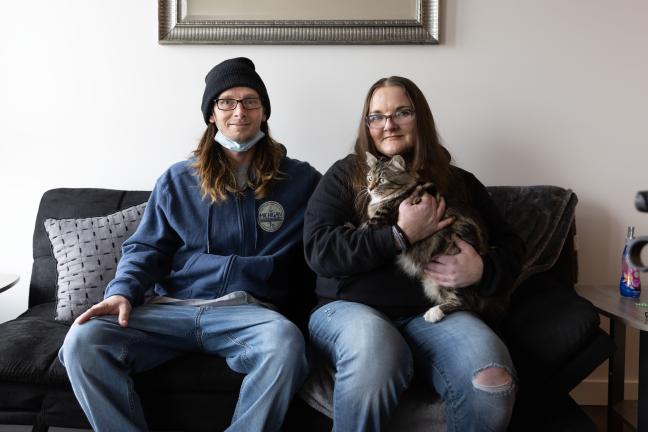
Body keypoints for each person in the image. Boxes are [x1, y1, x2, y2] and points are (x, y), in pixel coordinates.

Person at [59, 57, 321, 432]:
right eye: (227, 102)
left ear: (264, 111)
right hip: (171, 309)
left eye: (250, 101)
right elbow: (146, 248)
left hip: (247, 313)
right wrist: (122, 292)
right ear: (211, 114)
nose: (239, 111)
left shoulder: (301, 180)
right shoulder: (178, 179)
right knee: (83, 341)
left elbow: (332, 234)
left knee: (286, 345)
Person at [303, 76, 526, 432]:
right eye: (375, 116)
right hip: (350, 311)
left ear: (420, 117)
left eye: (401, 112)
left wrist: (482, 269)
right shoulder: (346, 175)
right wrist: (400, 235)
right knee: (376, 354)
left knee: (492, 380)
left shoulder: (458, 182)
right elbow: (320, 250)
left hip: (434, 314)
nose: (388, 124)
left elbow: (513, 245)